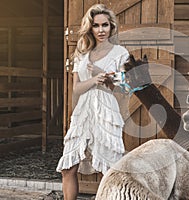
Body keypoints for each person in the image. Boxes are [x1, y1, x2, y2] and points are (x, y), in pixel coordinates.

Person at [56, 4, 129, 200]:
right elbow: (77, 88)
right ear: (90, 28)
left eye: (105, 25)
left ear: (111, 27)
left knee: (110, 170)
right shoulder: (82, 52)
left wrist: (100, 74)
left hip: (106, 111)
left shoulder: (120, 52)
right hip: (84, 111)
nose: (101, 30)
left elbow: (123, 89)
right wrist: (93, 79)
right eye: (96, 26)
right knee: (68, 168)